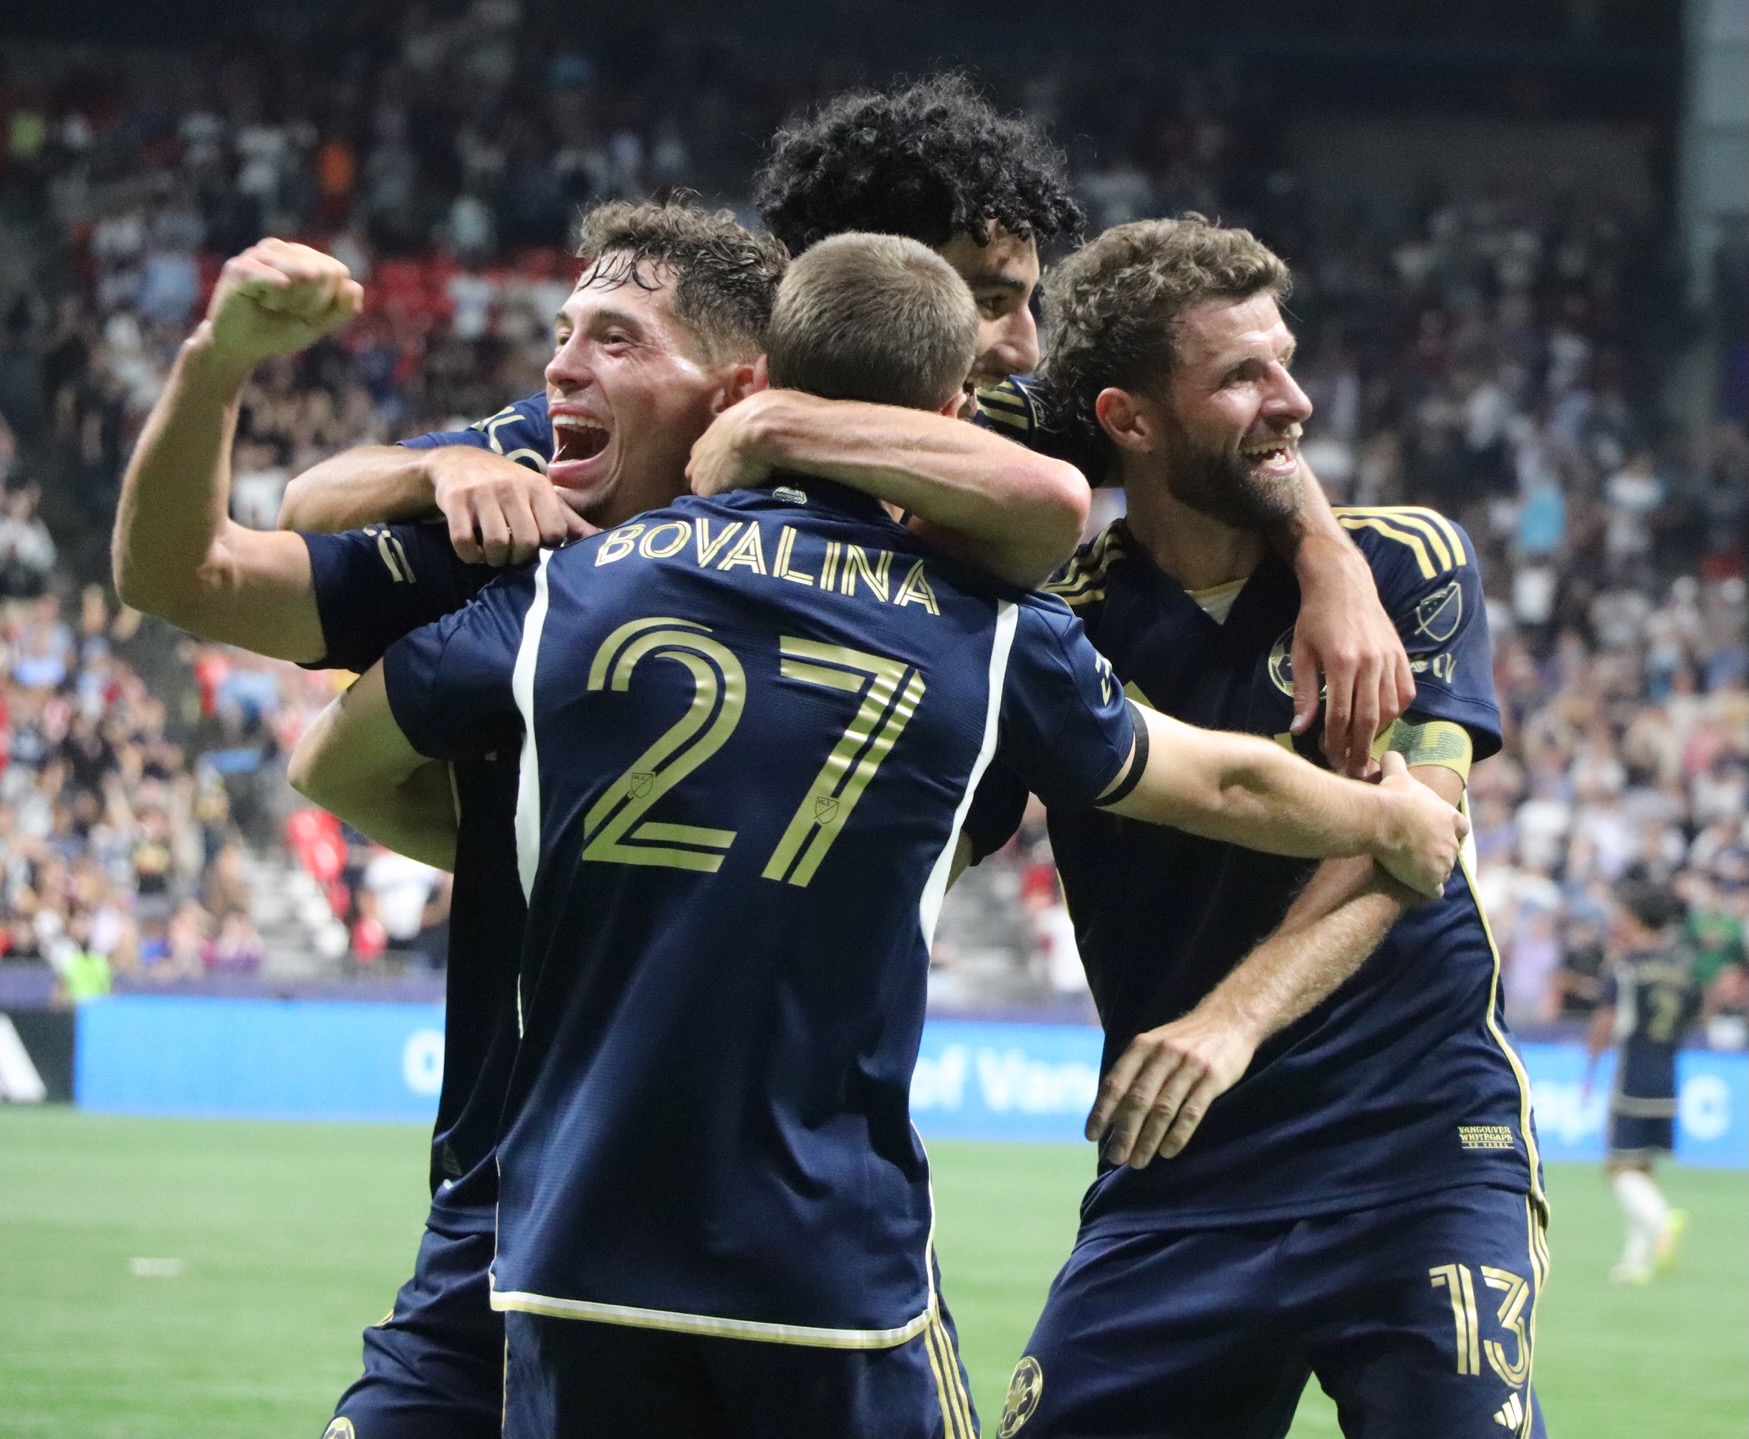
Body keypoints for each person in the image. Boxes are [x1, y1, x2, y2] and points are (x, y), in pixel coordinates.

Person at [288, 231, 1466, 1439]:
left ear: (767, 379)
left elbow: (327, 759)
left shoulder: (567, 587)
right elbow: (1212, 782)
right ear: (954, 413)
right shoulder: (990, 626)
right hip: (824, 1253)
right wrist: (1386, 814)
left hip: (571, 1245)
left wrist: (528, 842)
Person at [112, 204, 1088, 1439]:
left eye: (613, 339)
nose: (560, 367)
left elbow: (1046, 500)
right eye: (564, 334)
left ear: (746, 390)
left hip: (773, 1248)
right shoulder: (522, 525)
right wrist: (234, 368)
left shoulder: (889, 553)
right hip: (502, 1224)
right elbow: (182, 575)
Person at [279, 75, 1411, 780]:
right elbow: (307, 504)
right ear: (878, 280)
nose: (1026, 344)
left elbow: (1225, 421)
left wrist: (1331, 561)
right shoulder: (655, 409)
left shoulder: (1009, 417)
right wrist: (450, 471)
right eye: (991, 298)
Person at [958, 217, 1550, 1438]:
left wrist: (1228, 1021)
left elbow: (1410, 844)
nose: (1294, 401)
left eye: (1285, 358)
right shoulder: (1052, 622)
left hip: (1419, 1150)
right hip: (1179, 1167)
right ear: (1127, 418)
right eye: (1241, 375)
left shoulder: (1406, 557)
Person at [1583, 876, 1701, 1285]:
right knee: (1643, 1167)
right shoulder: (1682, 969)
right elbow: (1693, 1017)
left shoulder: (1627, 968)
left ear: (1633, 920)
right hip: (1668, 1074)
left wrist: (1589, 1069)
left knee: (1618, 1168)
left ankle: (1663, 1221)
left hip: (1632, 1072)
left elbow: (1605, 1020)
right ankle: (1637, 1261)